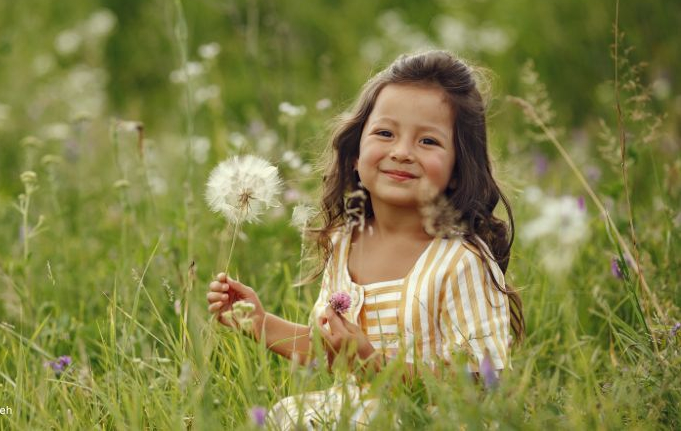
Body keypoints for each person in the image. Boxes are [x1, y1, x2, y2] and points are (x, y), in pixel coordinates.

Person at [206, 50, 525, 429]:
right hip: (355, 410)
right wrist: (259, 322)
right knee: (287, 416)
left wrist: (373, 362)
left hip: (431, 418)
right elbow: (332, 350)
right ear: (356, 153)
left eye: (428, 141)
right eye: (385, 133)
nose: (402, 152)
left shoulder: (461, 261)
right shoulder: (345, 244)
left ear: (458, 169)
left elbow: (482, 382)